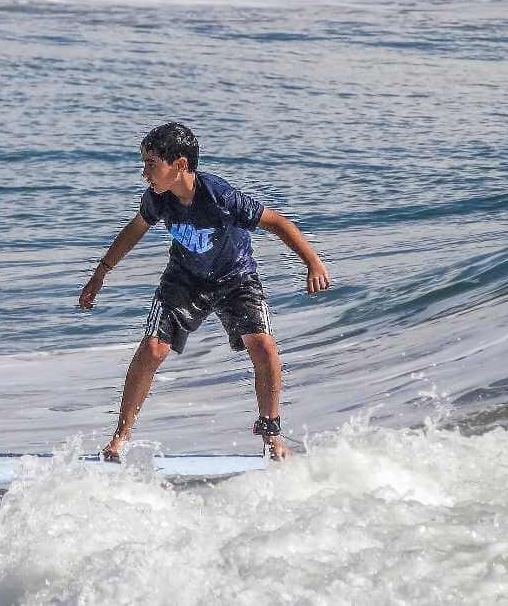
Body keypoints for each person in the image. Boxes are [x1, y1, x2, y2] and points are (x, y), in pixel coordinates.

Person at [78, 122, 331, 461]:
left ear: (179, 165)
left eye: (151, 163)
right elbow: (134, 230)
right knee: (153, 349)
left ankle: (271, 435)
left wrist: (312, 263)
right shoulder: (158, 198)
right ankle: (120, 437)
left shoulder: (220, 196)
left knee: (264, 348)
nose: (144, 172)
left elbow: (277, 222)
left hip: (235, 277)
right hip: (184, 279)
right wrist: (101, 273)